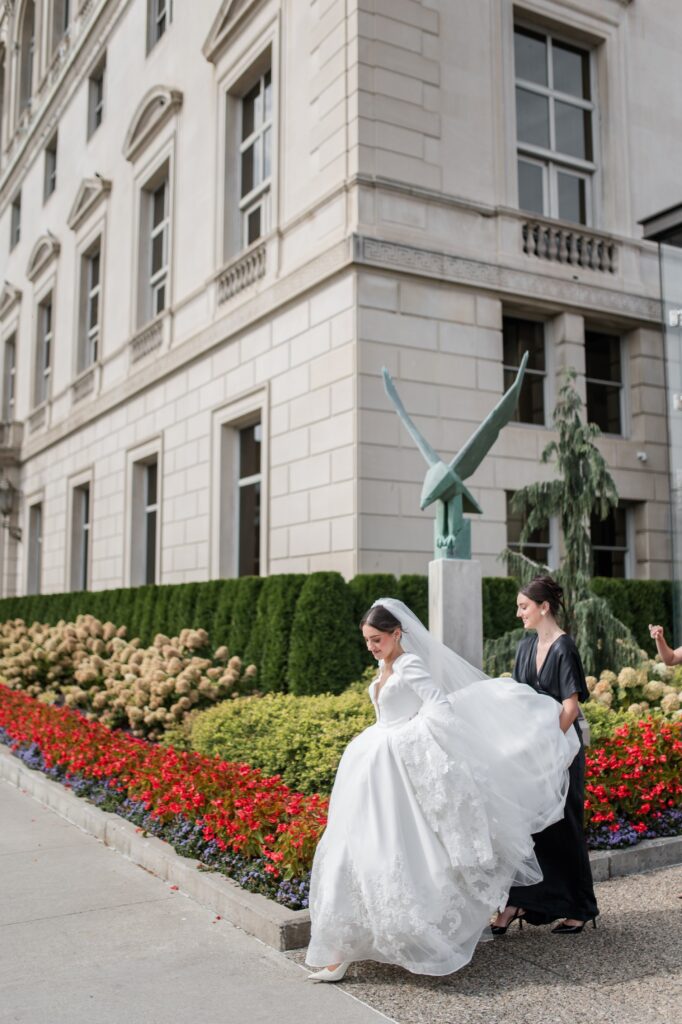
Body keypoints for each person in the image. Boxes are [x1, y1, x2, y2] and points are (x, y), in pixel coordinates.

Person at [306, 598, 579, 981]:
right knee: (354, 849)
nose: (371, 646)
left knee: (405, 852)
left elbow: (438, 709)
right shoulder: (384, 666)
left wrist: (408, 743)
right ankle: (341, 951)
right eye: (367, 640)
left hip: (398, 763)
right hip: (372, 767)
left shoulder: (410, 665)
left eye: (377, 640)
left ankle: (413, 937)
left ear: (397, 634)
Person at [491, 576, 599, 936]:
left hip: (561, 750)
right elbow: (518, 699)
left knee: (566, 825)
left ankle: (580, 907)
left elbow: (570, 706)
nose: (519, 613)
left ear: (543, 607)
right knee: (527, 827)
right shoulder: (525, 647)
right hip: (531, 753)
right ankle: (518, 901)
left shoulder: (564, 647)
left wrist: (551, 745)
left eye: (524, 606)